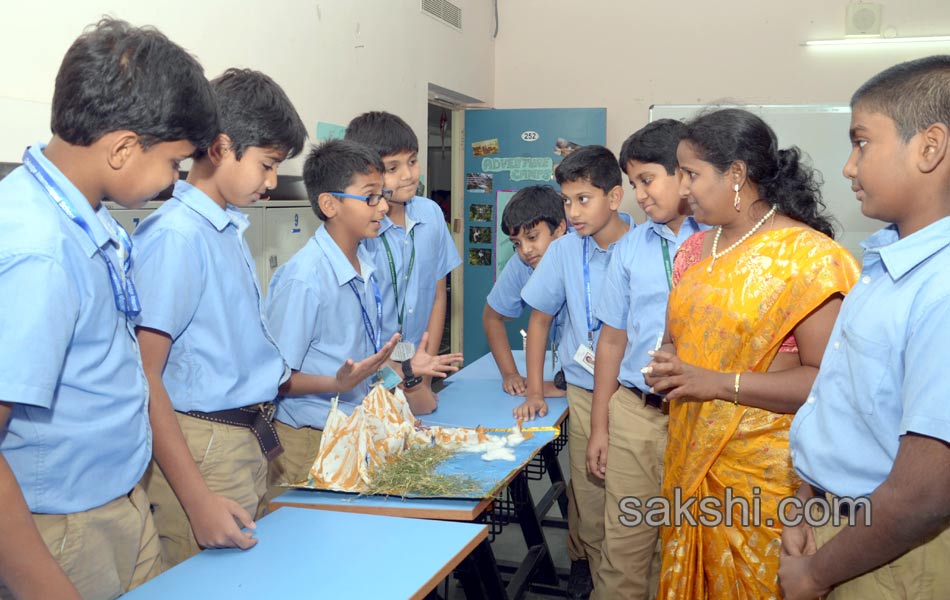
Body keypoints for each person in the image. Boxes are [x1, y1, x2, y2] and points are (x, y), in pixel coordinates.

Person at [0, 18, 216, 599]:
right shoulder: (40, 254)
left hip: (121, 501)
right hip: (63, 532)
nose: (173, 181)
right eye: (174, 163)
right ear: (122, 148)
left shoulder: (84, 215)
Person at [643, 108, 860, 599]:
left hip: (769, 482)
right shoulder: (693, 251)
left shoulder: (809, 259)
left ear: (736, 174)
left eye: (692, 174)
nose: (682, 189)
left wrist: (715, 382)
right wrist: (668, 361)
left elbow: (830, 383)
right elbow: (677, 338)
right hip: (690, 458)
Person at [780, 55, 950, 600]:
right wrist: (806, 502)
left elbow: (925, 491)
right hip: (839, 526)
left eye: (862, 143)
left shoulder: (941, 287)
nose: (849, 167)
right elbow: (839, 401)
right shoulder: (883, 265)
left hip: (891, 554)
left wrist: (815, 574)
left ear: (929, 147)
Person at [133, 68, 307, 567]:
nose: (272, 182)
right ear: (221, 148)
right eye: (267, 165)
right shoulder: (176, 237)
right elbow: (146, 376)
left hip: (244, 437)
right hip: (202, 448)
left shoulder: (224, 228)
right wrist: (197, 500)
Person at [264, 139, 463, 494]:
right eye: (370, 197)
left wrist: (405, 369)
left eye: (382, 197)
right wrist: (335, 384)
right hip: (307, 440)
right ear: (330, 204)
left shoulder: (364, 266)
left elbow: (363, 370)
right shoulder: (305, 279)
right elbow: (274, 379)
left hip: (352, 429)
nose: (383, 207)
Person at [587, 120, 707, 600]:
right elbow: (611, 342)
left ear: (685, 174)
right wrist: (600, 425)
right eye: (633, 183)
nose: (639, 195)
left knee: (688, 545)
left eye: (647, 179)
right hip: (637, 413)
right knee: (625, 547)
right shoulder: (630, 249)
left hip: (700, 417)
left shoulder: (721, 242)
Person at [517, 145, 634, 598]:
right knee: (590, 495)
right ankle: (592, 571)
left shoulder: (646, 246)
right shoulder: (566, 250)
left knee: (634, 501)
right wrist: (533, 391)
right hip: (585, 393)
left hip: (635, 393)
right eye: (567, 201)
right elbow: (540, 320)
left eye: (584, 199)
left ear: (615, 197)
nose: (573, 211)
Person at [345, 111, 462, 403]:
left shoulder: (431, 214)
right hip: (366, 378)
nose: (408, 175)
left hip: (416, 370)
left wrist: (422, 369)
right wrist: (394, 376)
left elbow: (438, 295)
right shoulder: (360, 229)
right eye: (392, 168)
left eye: (412, 161)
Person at [482, 184, 567, 396]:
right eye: (516, 243)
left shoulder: (584, 256)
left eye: (532, 237)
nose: (525, 250)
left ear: (559, 230)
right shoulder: (522, 264)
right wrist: (510, 374)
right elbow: (492, 317)